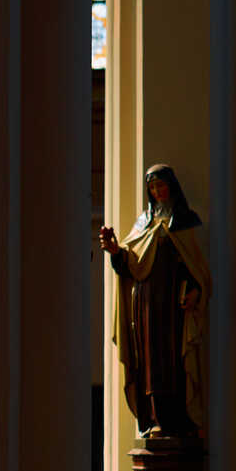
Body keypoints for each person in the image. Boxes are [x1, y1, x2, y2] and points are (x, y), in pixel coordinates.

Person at [98, 164, 211, 439]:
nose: (157, 191)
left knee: (174, 359)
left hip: (173, 305)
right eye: (152, 187)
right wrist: (116, 251)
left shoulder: (186, 221)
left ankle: (181, 420)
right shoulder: (143, 224)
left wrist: (195, 290)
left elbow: (196, 266)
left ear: (172, 186)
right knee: (150, 362)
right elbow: (129, 264)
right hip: (146, 302)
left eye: (161, 185)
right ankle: (154, 417)